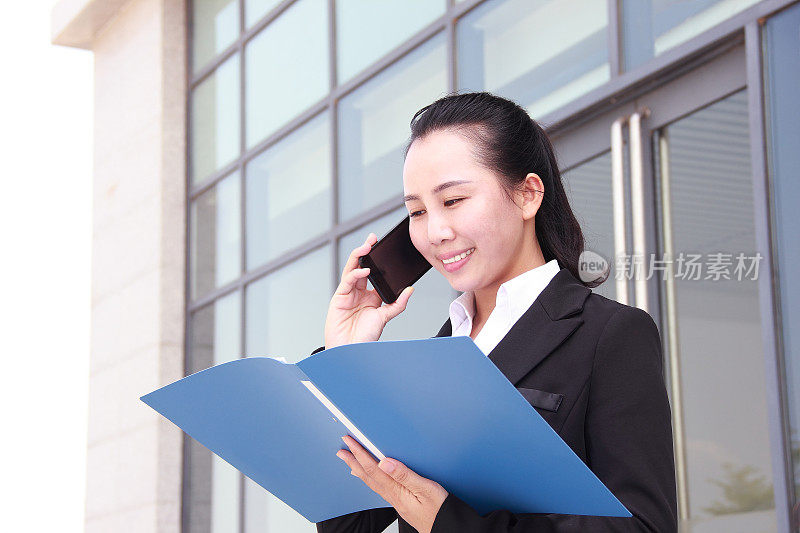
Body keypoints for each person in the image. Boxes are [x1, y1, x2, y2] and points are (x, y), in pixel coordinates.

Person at [312, 92, 677, 532]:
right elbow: (346, 527)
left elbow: (644, 528)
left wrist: (450, 523)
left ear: (527, 194)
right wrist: (345, 363)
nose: (436, 231)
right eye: (417, 211)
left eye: (453, 201)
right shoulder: (429, 361)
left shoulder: (609, 335)